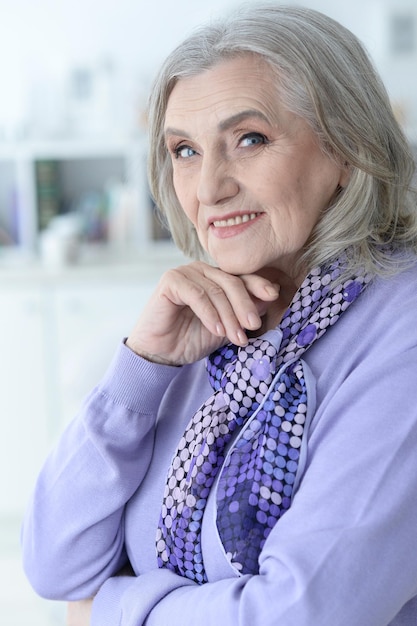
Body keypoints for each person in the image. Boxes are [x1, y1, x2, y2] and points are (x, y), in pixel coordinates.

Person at [21, 3, 417, 625]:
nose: (208, 189)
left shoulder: (402, 329)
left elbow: (307, 613)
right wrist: (141, 368)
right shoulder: (212, 317)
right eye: (184, 150)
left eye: (249, 140)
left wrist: (112, 611)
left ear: (347, 149)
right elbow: (54, 564)